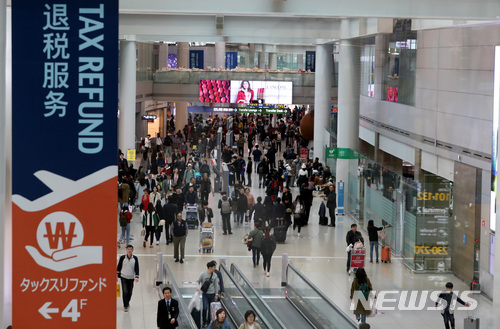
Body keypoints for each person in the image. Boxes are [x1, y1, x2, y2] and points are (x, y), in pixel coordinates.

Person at [197, 261, 220, 328]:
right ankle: (204, 321)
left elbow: (216, 285)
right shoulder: (203, 274)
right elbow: (198, 281)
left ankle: (210, 321)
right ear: (209, 268)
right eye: (214, 267)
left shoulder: (215, 275)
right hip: (205, 294)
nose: (215, 268)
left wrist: (216, 294)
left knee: (211, 309)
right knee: (205, 308)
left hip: (212, 294)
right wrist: (198, 287)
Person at [117, 245, 139, 312]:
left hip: (131, 277)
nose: (129, 250)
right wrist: (117, 274)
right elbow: (119, 267)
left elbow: (137, 267)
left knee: (130, 292)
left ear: (132, 250)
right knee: (125, 291)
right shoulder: (122, 258)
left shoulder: (135, 258)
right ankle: (125, 305)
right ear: (126, 250)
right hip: (123, 277)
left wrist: (137, 276)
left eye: (131, 249)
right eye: (128, 249)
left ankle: (127, 302)